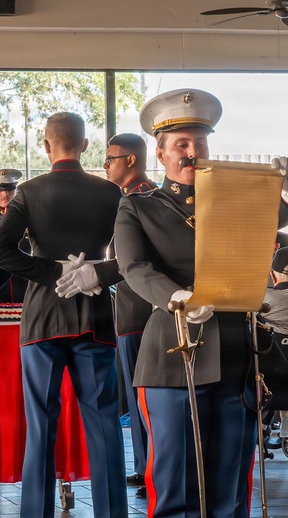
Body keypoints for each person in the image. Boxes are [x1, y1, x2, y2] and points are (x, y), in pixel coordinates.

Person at [114, 89, 288, 518]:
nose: (191, 151)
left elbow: (265, 225)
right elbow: (133, 267)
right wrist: (176, 296)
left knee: (227, 492)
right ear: (161, 150)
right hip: (171, 354)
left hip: (232, 355)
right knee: (173, 490)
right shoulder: (138, 206)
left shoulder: (234, 199)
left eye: (198, 141)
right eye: (180, 143)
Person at [0, 111, 134, 518]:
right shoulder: (111, 192)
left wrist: (50, 269)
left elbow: (0, 251)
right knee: (105, 427)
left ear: (47, 146)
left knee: (41, 428)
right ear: (86, 145)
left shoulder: (29, 192)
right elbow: (132, 257)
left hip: (42, 323)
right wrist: (94, 271)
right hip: (93, 316)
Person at [105, 133, 158, 491]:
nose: (106, 165)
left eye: (111, 159)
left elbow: (135, 263)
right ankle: (144, 466)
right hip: (129, 311)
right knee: (137, 396)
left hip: (142, 311)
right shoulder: (128, 198)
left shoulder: (144, 198)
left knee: (147, 399)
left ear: (131, 160)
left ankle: (153, 468)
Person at [0, 168, 29, 304]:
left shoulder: (28, 221)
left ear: (16, 191)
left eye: (10, 189)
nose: (5, 194)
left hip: (24, 289)